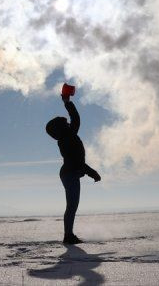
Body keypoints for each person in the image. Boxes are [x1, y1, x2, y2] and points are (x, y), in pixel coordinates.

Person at [45, 92, 101, 244]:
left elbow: (75, 119)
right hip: (69, 174)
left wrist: (67, 102)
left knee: (72, 206)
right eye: (66, 124)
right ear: (62, 129)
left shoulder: (67, 137)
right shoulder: (67, 139)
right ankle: (68, 236)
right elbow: (77, 162)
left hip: (70, 173)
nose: (69, 124)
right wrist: (92, 173)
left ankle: (68, 235)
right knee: (71, 206)